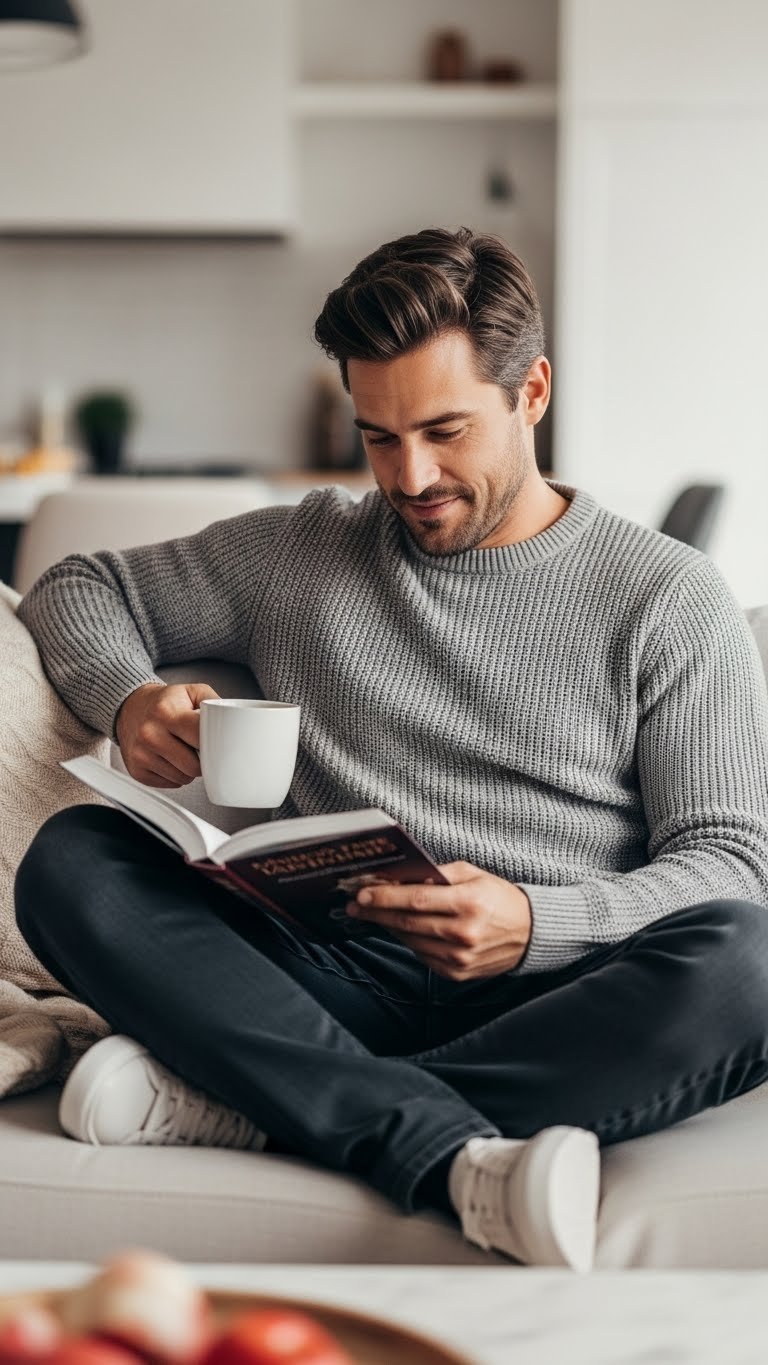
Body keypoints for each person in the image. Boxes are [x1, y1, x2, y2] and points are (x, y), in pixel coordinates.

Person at [14, 227, 768, 1274]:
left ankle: (265, 1101)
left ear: (533, 393)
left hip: (552, 991)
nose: (411, 477)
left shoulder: (667, 598)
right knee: (74, 860)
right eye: (378, 437)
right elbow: (79, 585)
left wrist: (536, 921)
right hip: (318, 968)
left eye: (445, 430)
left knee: (750, 962)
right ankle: (434, 1138)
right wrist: (127, 696)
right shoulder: (302, 547)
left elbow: (733, 864)